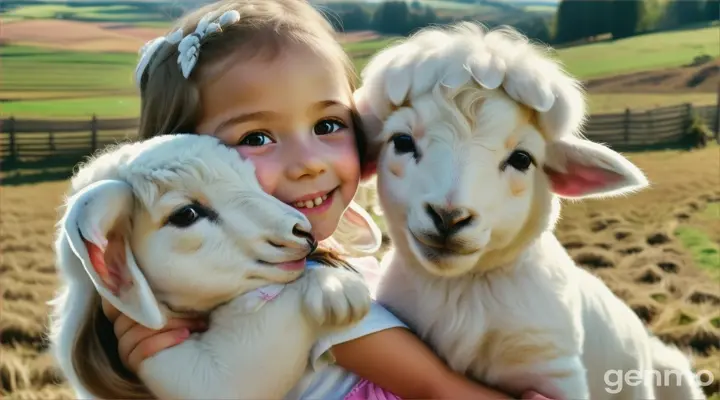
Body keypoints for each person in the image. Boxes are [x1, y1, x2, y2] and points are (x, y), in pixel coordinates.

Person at [99, 0, 553, 399]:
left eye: (328, 125)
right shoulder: (300, 298)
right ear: (184, 156)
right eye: (257, 136)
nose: (309, 163)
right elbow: (437, 390)